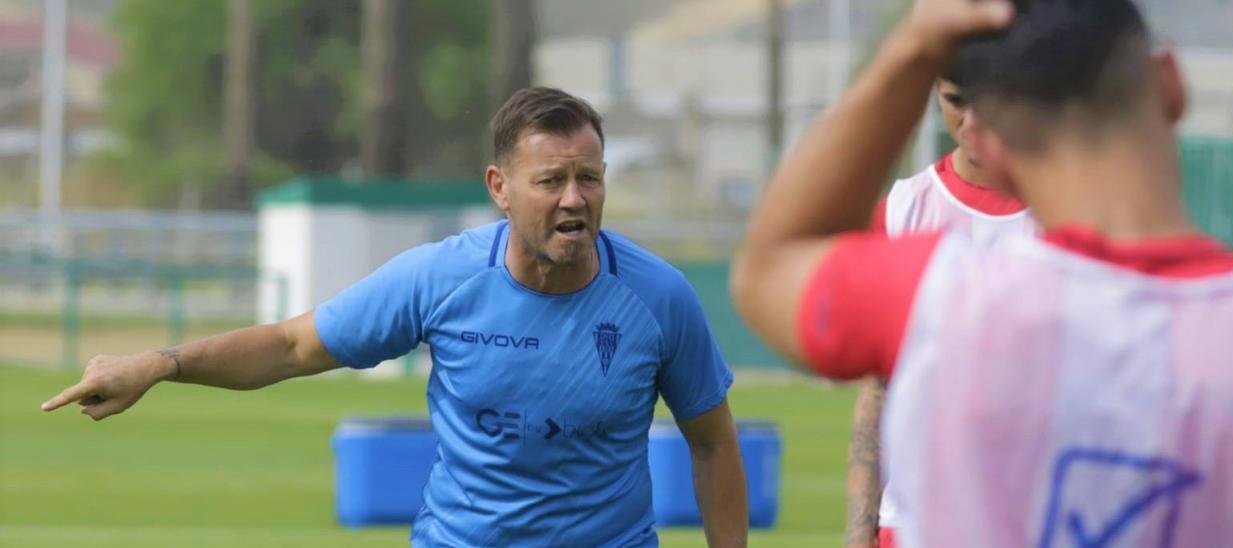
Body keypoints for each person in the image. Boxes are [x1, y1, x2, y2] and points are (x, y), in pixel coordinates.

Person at [43, 87, 749, 548]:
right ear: (499, 189)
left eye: (588, 178)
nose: (574, 198)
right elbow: (291, 347)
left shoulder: (658, 298)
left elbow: (713, 443)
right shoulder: (439, 278)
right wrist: (159, 365)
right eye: (551, 180)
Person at [732, 0, 1233, 545]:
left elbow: (770, 266)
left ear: (990, 151)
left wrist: (914, 47)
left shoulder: (942, 303)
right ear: (1172, 86)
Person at [847, 77, 1037, 548]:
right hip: (911, 523)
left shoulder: (1067, 213)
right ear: (934, 90)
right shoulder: (902, 211)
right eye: (956, 101)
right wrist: (857, 532)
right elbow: (878, 391)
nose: (971, 122)